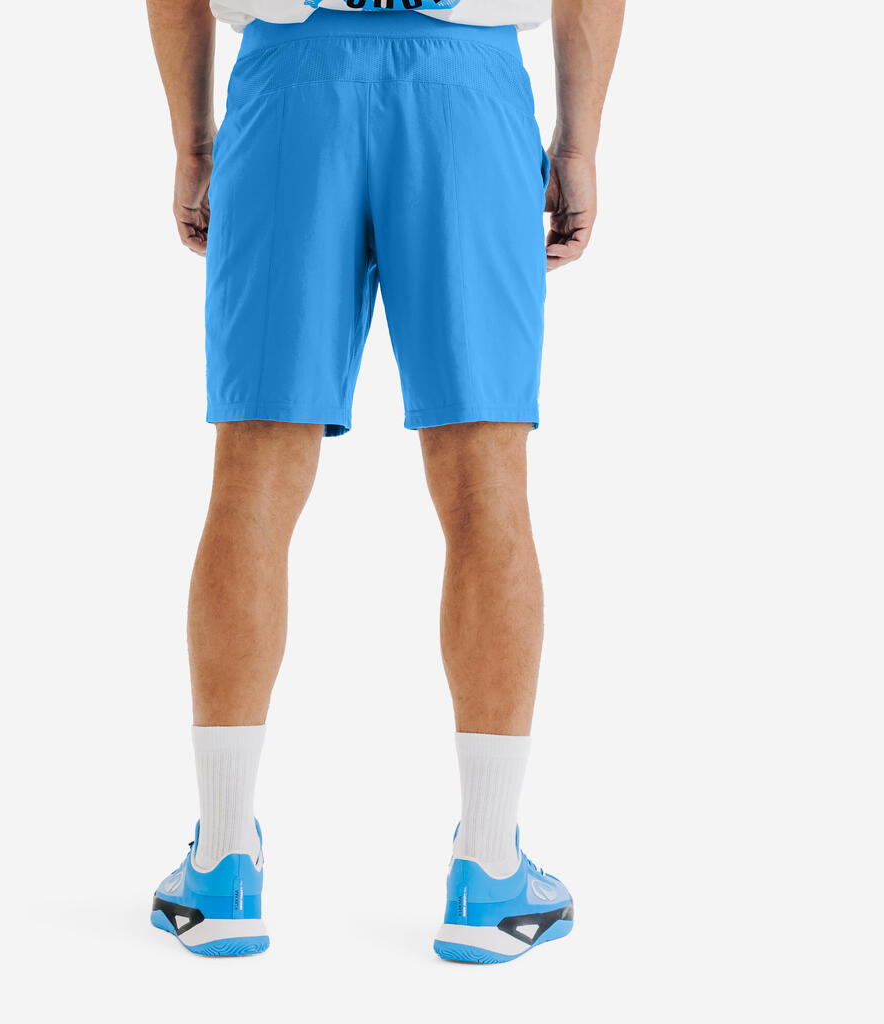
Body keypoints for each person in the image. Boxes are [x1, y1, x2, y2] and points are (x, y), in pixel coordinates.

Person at [145, 0, 624, 963]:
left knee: (253, 472)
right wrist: (578, 144)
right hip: (466, 89)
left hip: (290, 85)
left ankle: (224, 865)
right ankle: (489, 873)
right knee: (486, 481)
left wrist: (194, 143)